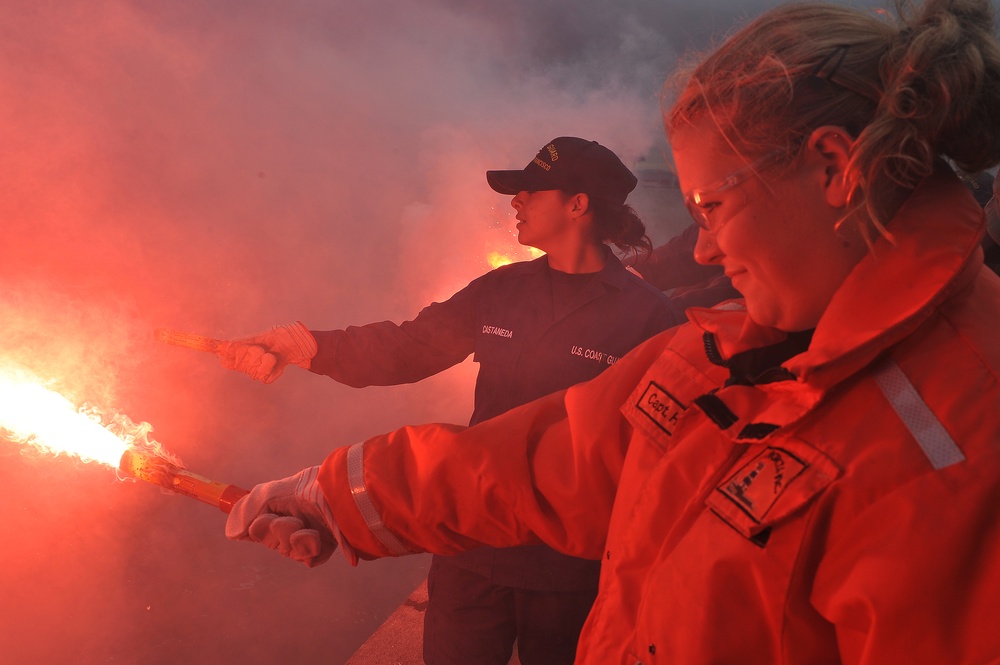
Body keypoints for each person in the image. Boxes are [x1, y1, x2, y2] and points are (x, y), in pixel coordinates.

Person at [224, 0, 1000, 662]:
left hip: (560, 581)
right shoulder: (722, 350)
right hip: (476, 570)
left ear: (833, 165)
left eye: (713, 206)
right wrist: (335, 490)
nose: (699, 249)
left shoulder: (959, 449)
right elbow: (555, 455)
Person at [219, 137, 683, 665]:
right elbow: (407, 348)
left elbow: (657, 459)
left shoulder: (650, 319)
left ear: (578, 204)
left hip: (573, 566)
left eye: (530, 192)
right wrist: (305, 346)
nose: (516, 202)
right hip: (472, 548)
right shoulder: (501, 290)